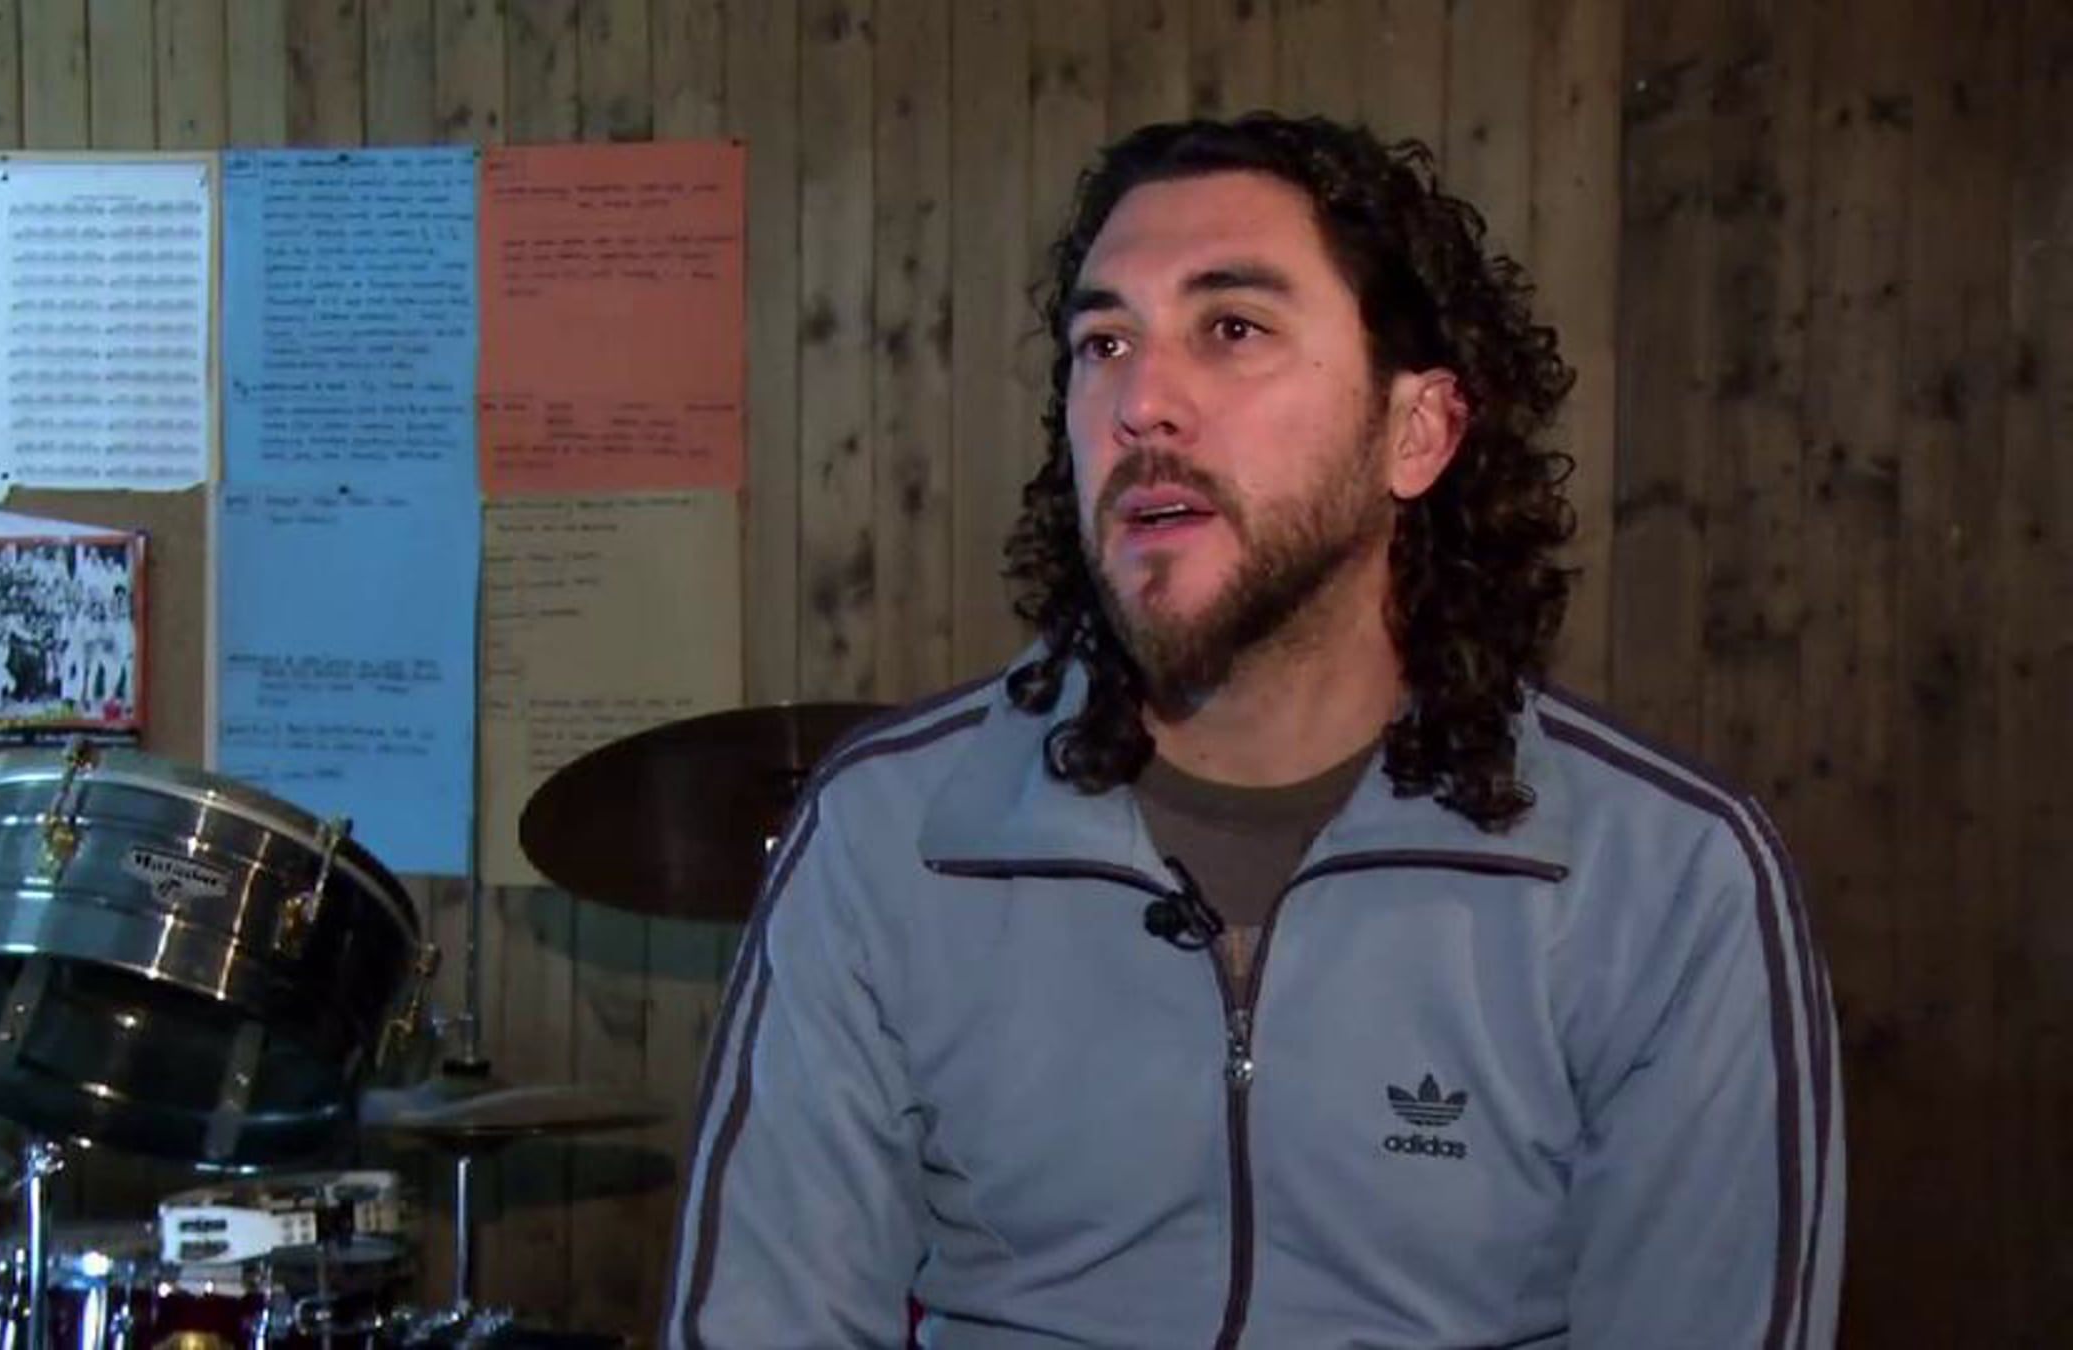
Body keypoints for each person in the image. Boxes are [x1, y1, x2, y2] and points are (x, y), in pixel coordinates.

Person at [663, 113, 1844, 1349]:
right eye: (1104, 343)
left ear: (1418, 432)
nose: (1141, 403)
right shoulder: (889, 834)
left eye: (1232, 329)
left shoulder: (1667, 876)